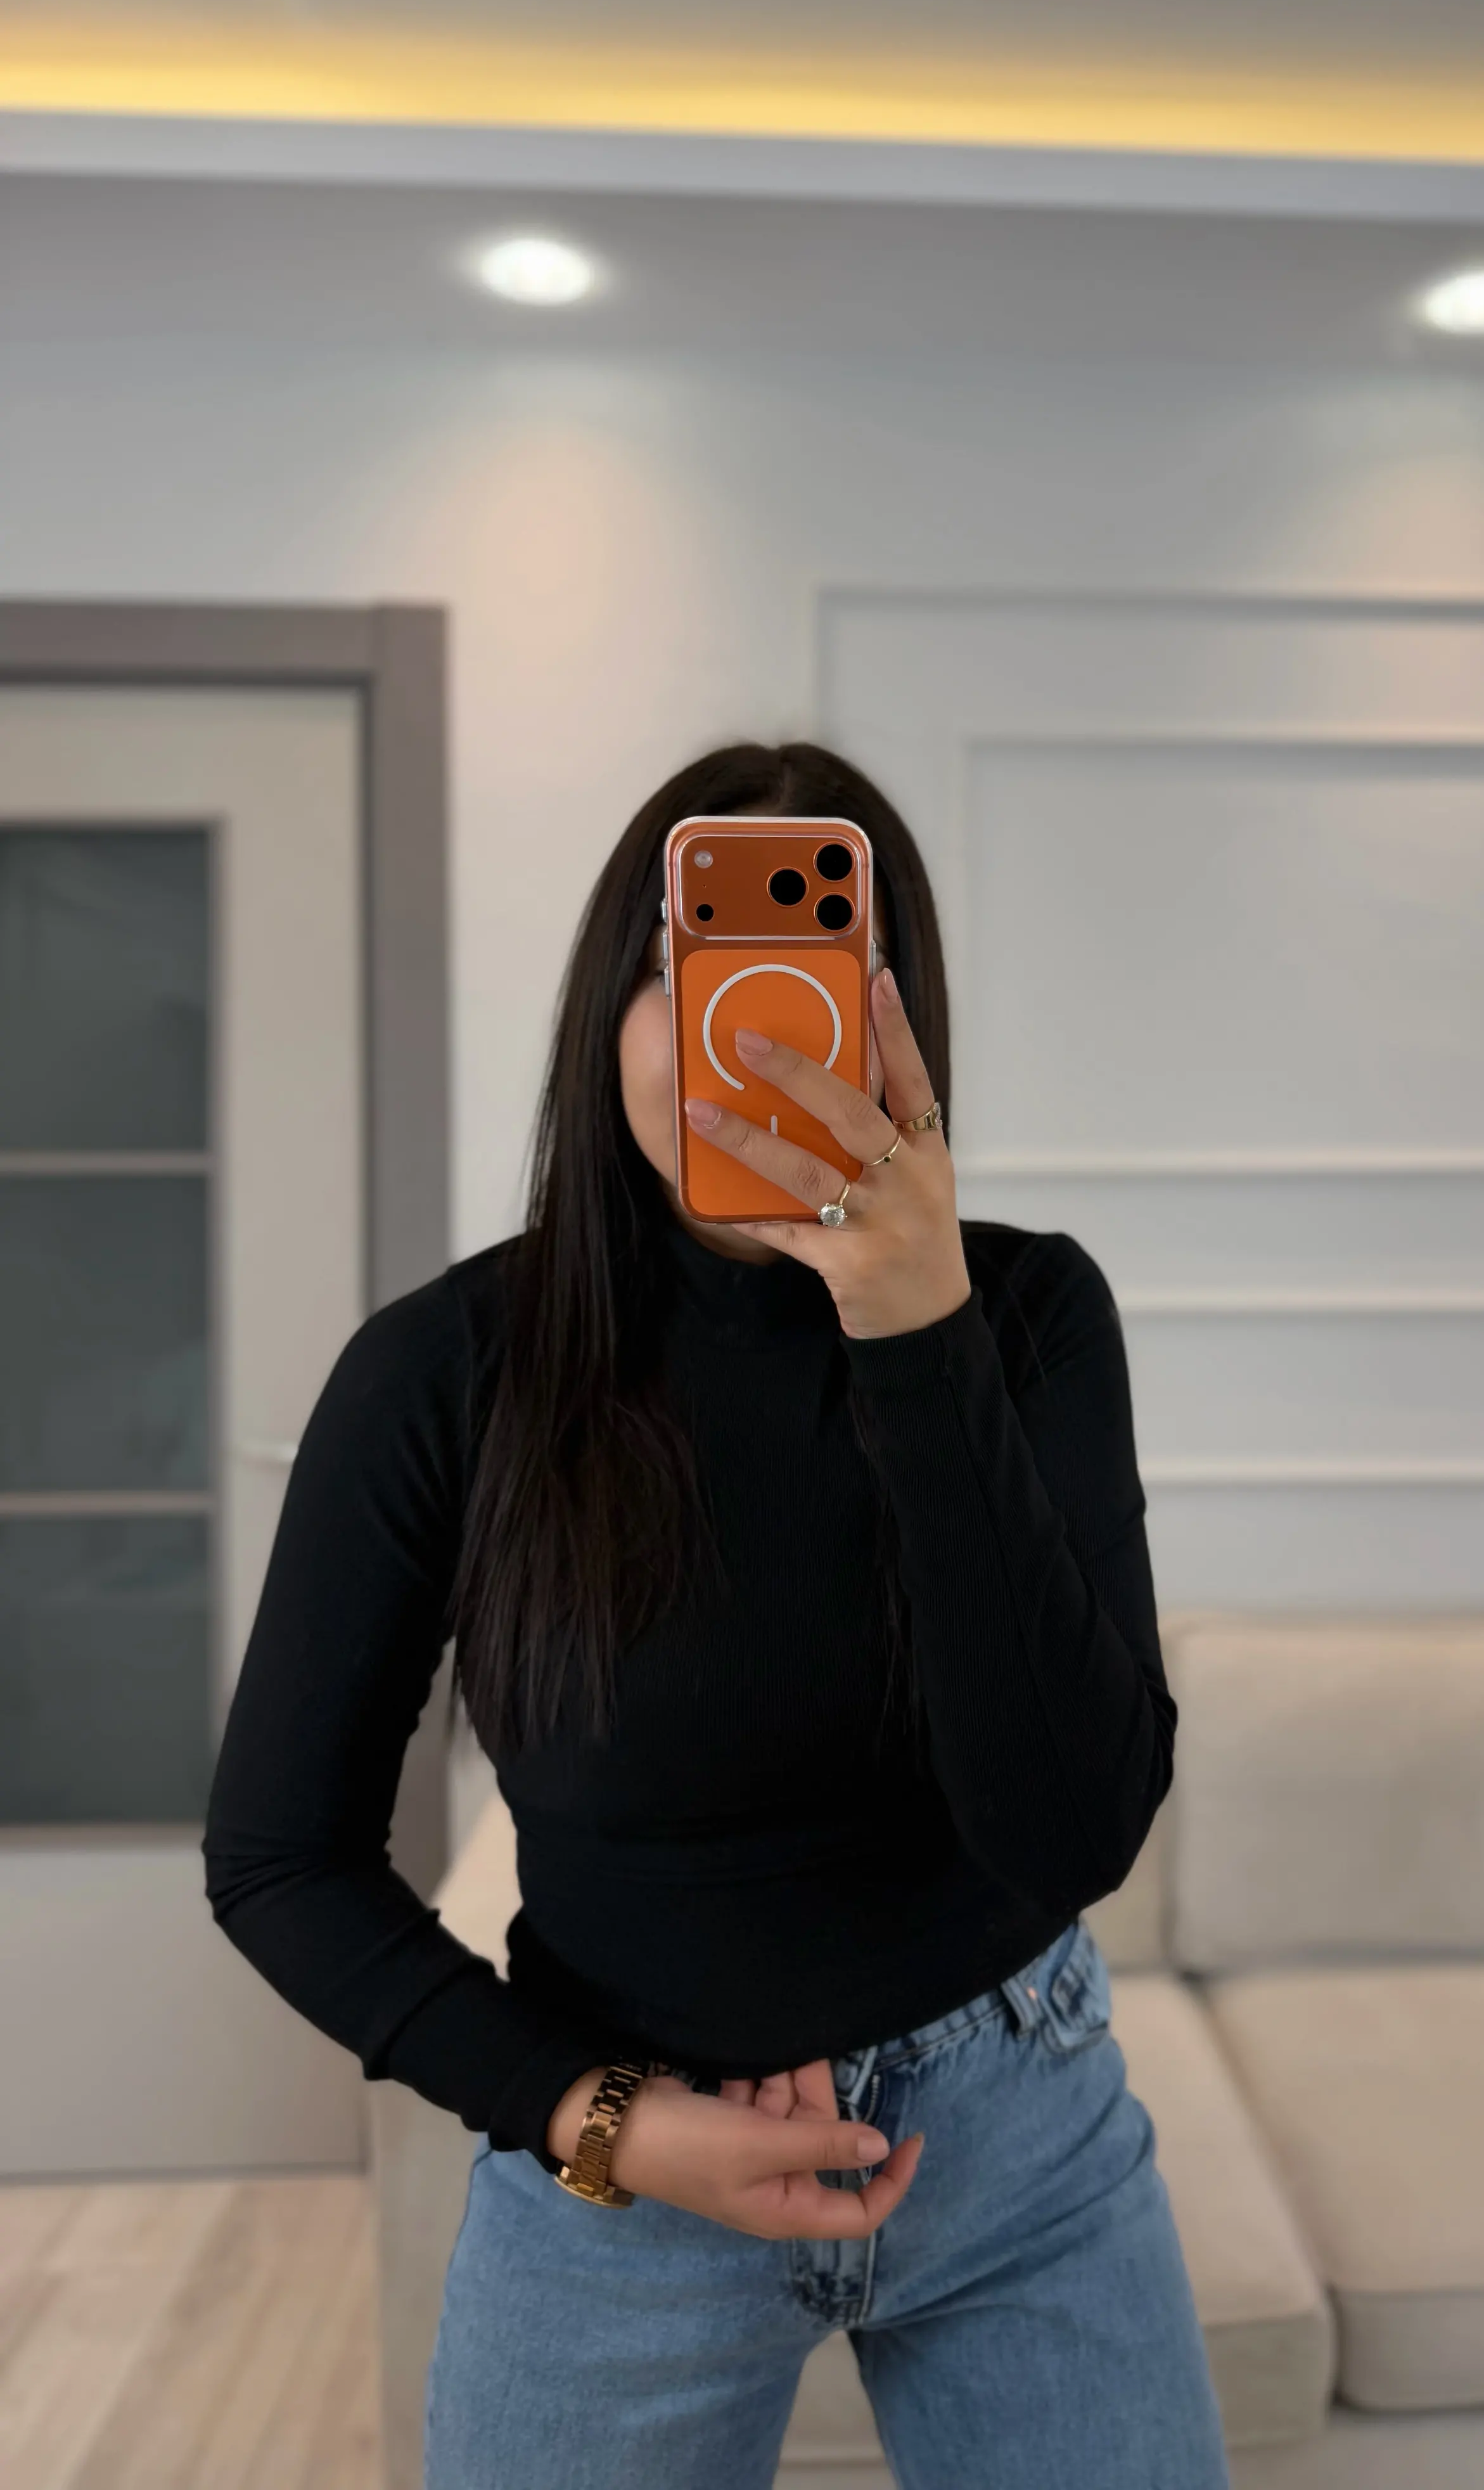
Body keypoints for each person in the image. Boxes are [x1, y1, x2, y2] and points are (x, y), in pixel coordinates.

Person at [202, 741, 1229, 2490]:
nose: (743, 1032)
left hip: (1016, 2126)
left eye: (806, 974)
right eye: (688, 966)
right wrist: (600, 2119)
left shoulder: (1029, 1316)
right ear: (605, 1012)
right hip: (626, 2160)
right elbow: (280, 1858)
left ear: (898, 1028)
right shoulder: (448, 1375)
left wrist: (918, 1332)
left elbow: (1074, 1830)